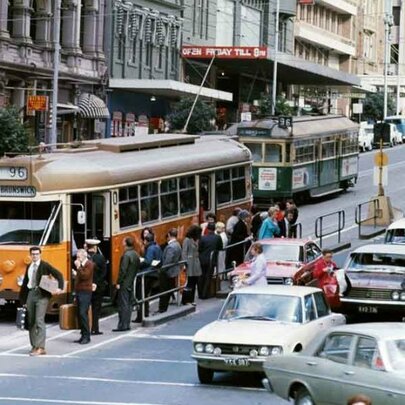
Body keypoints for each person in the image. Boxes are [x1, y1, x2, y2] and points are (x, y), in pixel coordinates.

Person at [19, 246, 64, 356]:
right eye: (33, 254)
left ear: (40, 254)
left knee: (39, 320)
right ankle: (34, 346)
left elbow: (59, 274)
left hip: (42, 294)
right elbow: (25, 283)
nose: (35, 256)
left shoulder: (44, 265)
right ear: (30, 255)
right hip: (31, 293)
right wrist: (23, 299)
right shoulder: (29, 266)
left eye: (36, 254)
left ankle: (41, 347)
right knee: (31, 321)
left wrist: (60, 288)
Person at [133, 232, 162, 322]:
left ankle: (141, 315)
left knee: (141, 295)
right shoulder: (157, 247)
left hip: (147, 274)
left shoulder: (150, 248)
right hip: (154, 273)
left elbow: (148, 261)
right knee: (145, 295)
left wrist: (140, 262)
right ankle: (144, 313)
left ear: (146, 240)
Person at [113, 237, 140, 331]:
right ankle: (127, 324)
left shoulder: (126, 255)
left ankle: (122, 325)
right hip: (131, 282)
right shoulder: (136, 254)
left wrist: (118, 282)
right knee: (129, 304)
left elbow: (123, 270)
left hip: (124, 283)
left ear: (125, 243)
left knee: (123, 305)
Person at [85, 239, 107, 336]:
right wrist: (96, 283)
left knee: (85, 308)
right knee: (96, 308)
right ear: (95, 247)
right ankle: (95, 328)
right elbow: (104, 273)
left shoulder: (84, 258)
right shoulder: (100, 258)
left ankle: (86, 329)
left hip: (85, 286)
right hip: (97, 287)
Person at [158, 228, 182, 313]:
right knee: (168, 290)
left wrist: (162, 269)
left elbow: (168, 260)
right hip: (173, 271)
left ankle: (162, 308)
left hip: (168, 272)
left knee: (164, 290)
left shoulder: (171, 247)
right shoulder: (178, 244)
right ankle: (163, 308)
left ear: (169, 235)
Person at [73, 249, 94, 345]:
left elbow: (85, 276)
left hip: (85, 291)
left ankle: (87, 336)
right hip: (79, 291)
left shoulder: (89, 264)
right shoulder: (81, 266)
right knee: (79, 313)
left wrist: (78, 267)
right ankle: (82, 334)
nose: (77, 259)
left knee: (83, 313)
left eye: (78, 257)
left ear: (84, 256)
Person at [199, 222, 223, 299]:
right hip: (211, 260)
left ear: (207, 229)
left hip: (202, 259)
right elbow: (220, 248)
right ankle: (205, 294)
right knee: (208, 277)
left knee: (201, 276)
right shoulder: (218, 237)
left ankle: (200, 293)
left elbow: (199, 249)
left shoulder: (202, 238)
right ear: (215, 229)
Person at [181, 225, 202, 305]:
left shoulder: (196, 240)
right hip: (190, 263)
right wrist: (185, 263)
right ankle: (186, 300)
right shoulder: (187, 240)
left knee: (194, 282)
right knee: (189, 283)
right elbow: (184, 252)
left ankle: (191, 299)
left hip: (196, 263)